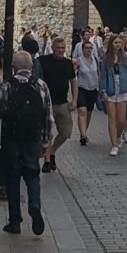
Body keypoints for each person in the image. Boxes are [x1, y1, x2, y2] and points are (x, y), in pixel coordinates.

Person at [0, 53, 52, 237]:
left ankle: (14, 221)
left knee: (12, 178)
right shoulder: (41, 85)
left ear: (14, 66)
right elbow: (47, 116)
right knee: (32, 174)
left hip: (11, 138)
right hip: (32, 138)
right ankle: (34, 203)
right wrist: (45, 141)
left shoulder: (8, 84)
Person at [35, 36, 73, 172]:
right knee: (48, 132)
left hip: (63, 103)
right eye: (58, 48)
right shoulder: (43, 61)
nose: (61, 50)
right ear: (52, 48)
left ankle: (51, 151)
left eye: (63, 48)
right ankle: (46, 161)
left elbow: (73, 81)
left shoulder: (68, 63)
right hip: (47, 103)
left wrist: (75, 99)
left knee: (66, 132)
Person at [99, 34, 127, 154]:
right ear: (111, 44)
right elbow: (102, 76)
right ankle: (114, 144)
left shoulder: (125, 57)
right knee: (112, 118)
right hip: (110, 90)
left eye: (119, 42)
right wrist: (102, 91)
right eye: (115, 43)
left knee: (122, 120)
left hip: (122, 89)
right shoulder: (106, 59)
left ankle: (119, 135)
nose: (118, 45)